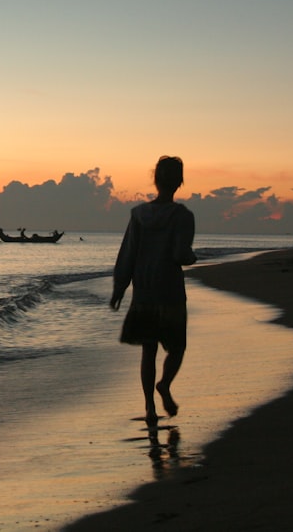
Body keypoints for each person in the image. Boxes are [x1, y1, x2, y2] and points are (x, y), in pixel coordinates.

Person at [110, 156, 197, 427]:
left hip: (144, 291)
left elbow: (128, 253)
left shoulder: (139, 215)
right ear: (179, 182)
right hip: (170, 291)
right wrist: (193, 258)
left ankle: (149, 407)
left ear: (155, 180)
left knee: (148, 351)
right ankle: (165, 385)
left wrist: (119, 287)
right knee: (177, 348)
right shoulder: (183, 217)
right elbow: (180, 254)